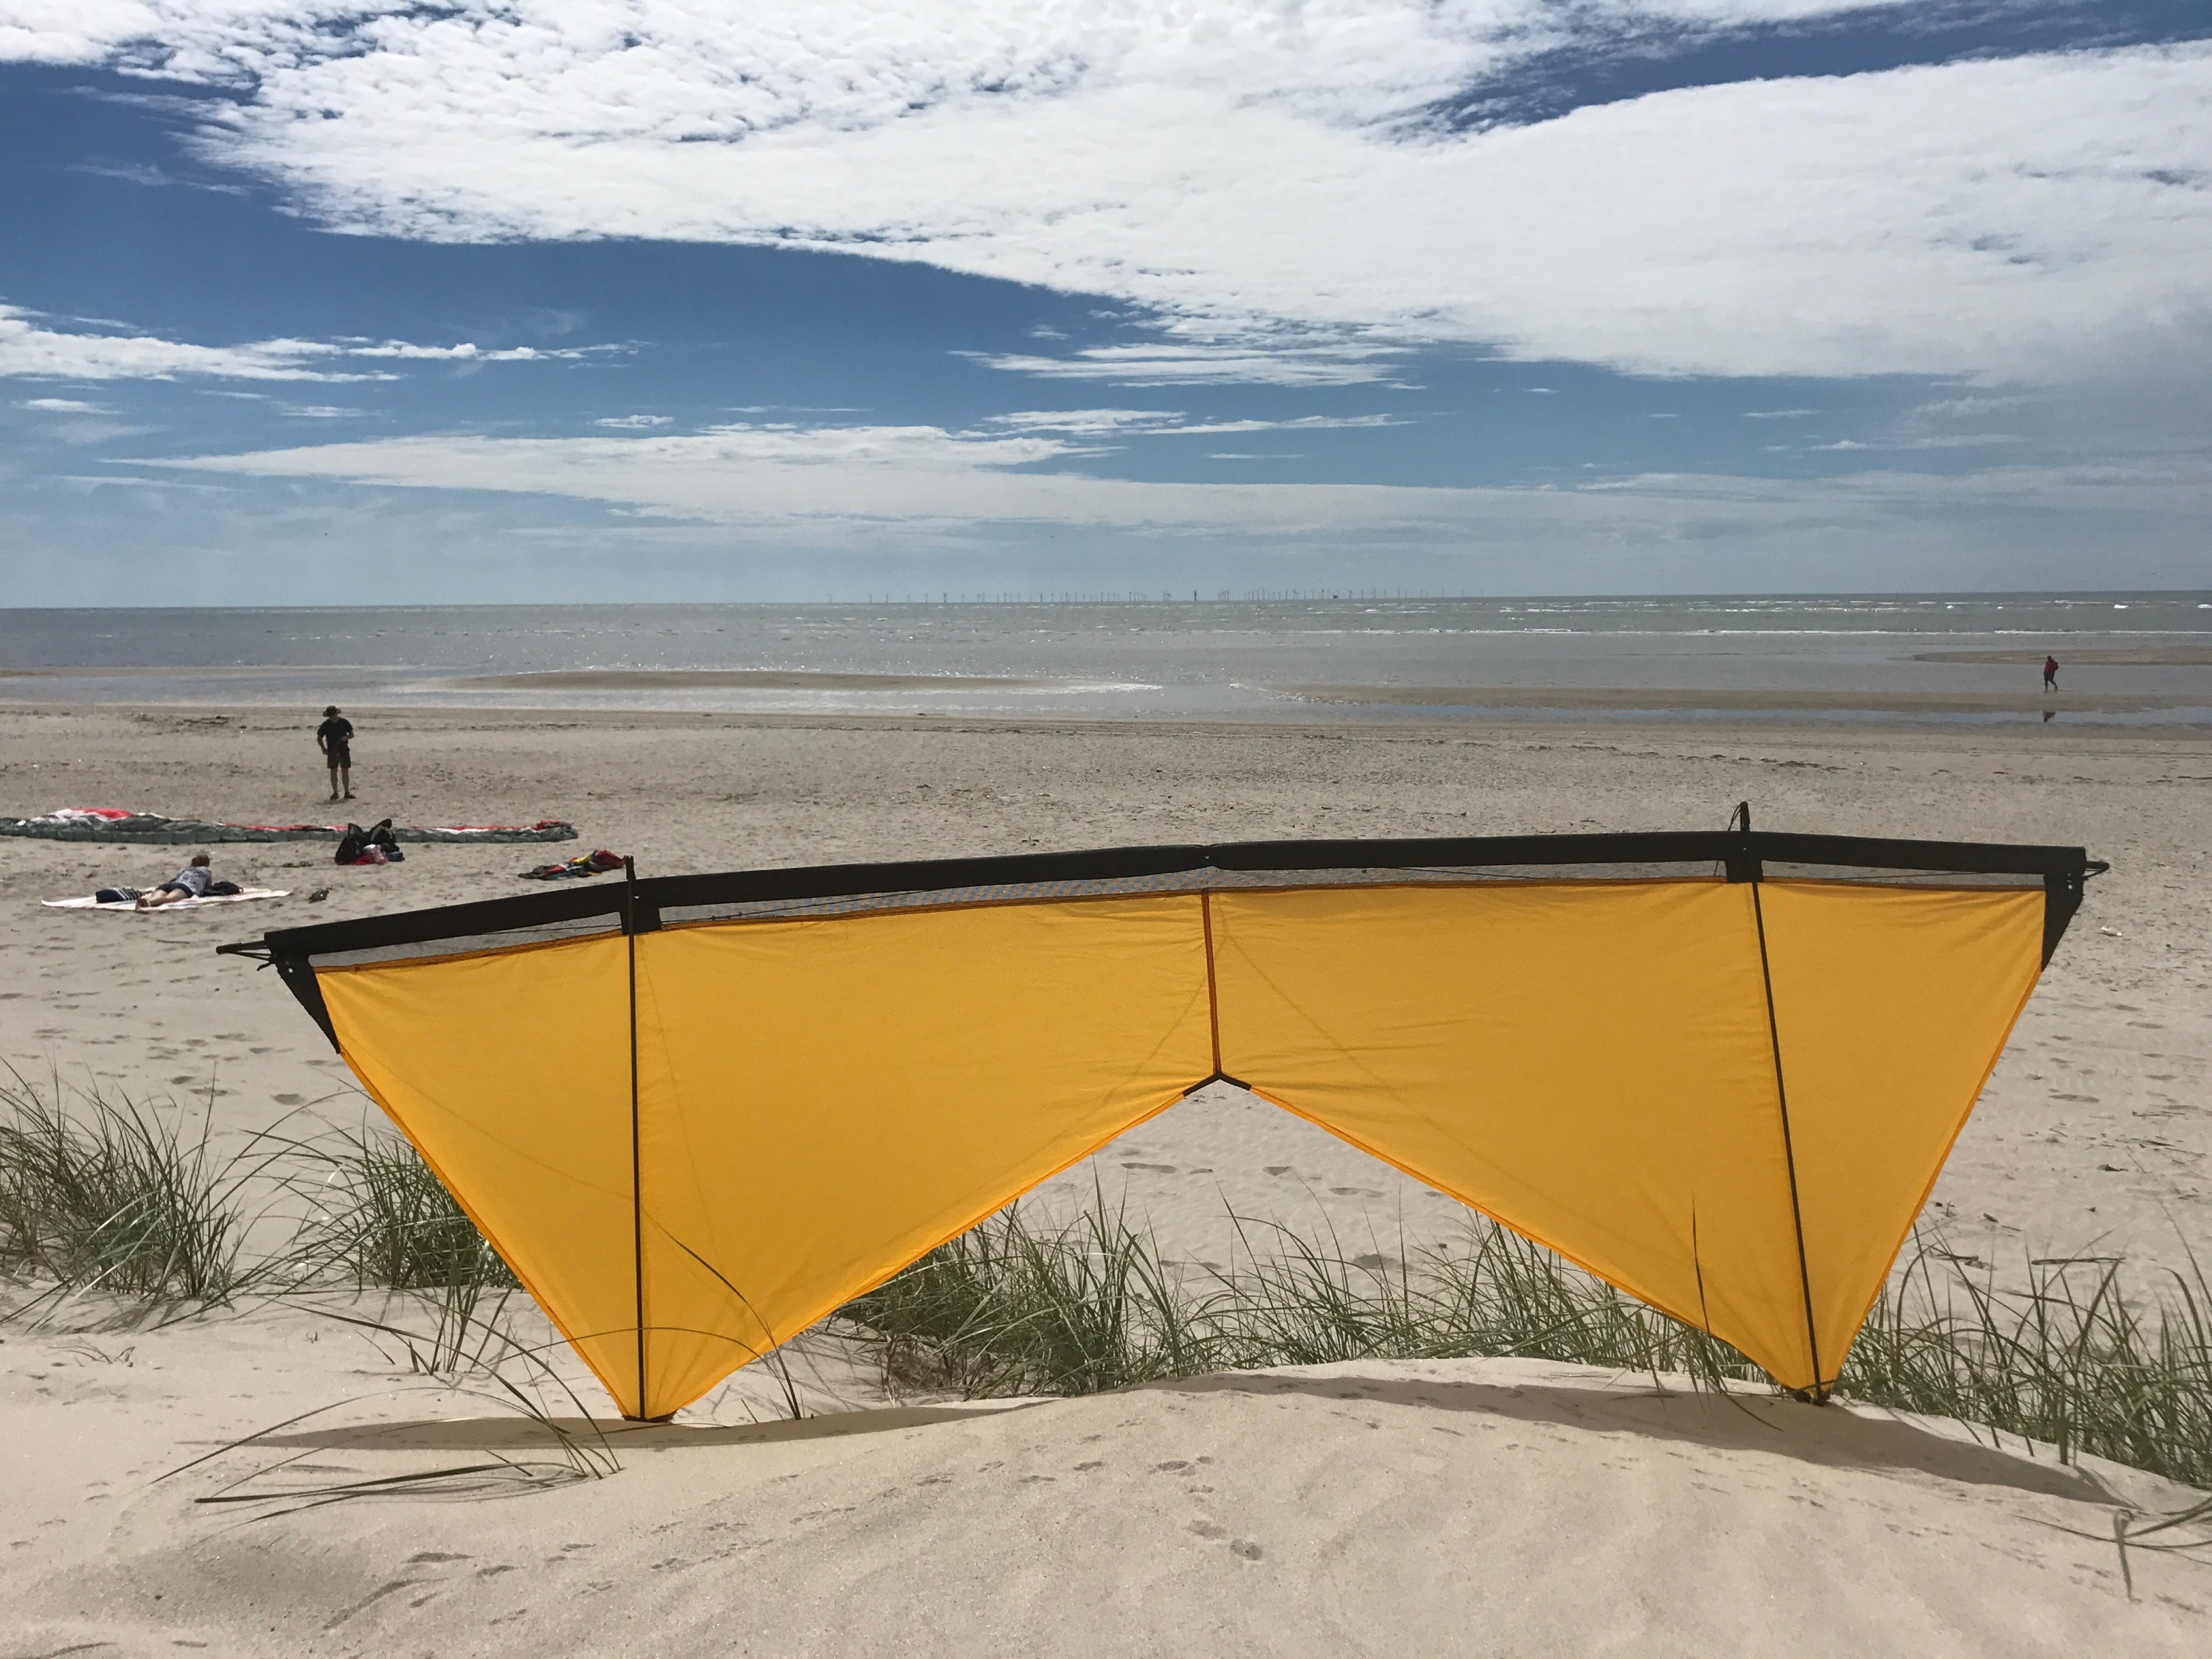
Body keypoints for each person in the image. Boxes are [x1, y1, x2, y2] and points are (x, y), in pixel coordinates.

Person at [136, 852, 218, 908]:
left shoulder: (185, 869)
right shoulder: (206, 871)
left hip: (171, 884)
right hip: (186, 887)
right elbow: (208, 887)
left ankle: (148, 900)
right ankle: (150, 903)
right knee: (169, 899)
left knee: (159, 895)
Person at [317, 704, 355, 801]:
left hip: (343, 749)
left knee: (345, 770)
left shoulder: (344, 722)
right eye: (330, 716)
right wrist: (323, 748)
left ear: (336, 714)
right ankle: (335, 793)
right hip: (332, 750)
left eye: (333, 715)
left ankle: (347, 792)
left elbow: (352, 734)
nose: (332, 717)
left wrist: (346, 738)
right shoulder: (326, 725)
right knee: (333, 771)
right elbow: (319, 738)